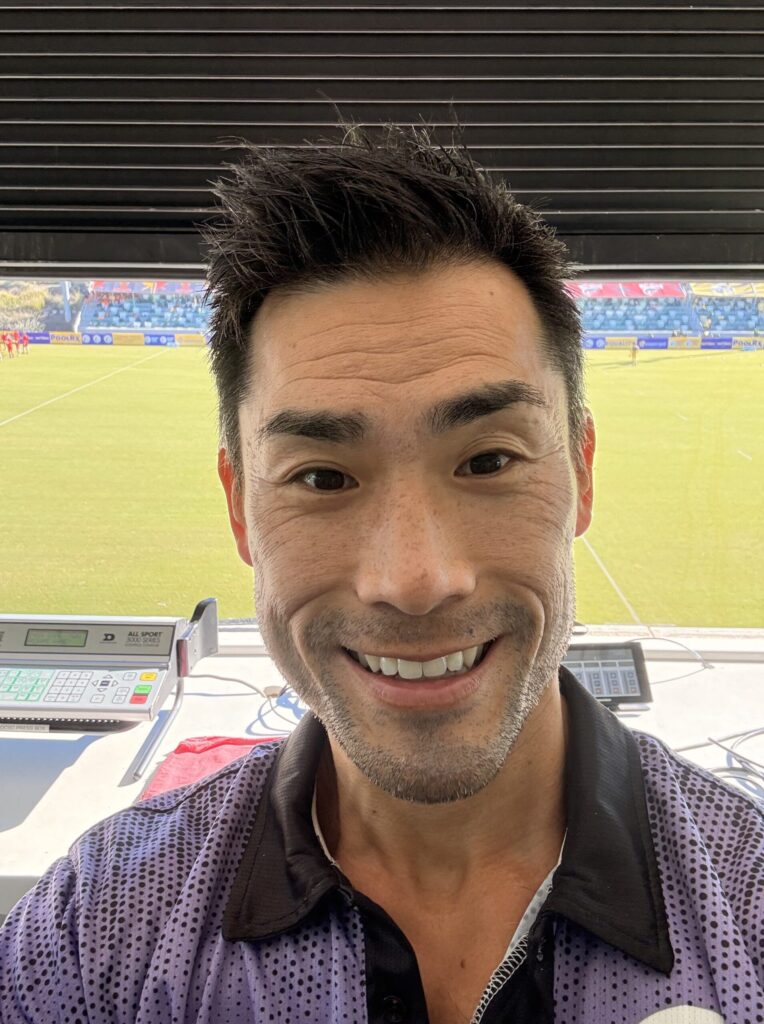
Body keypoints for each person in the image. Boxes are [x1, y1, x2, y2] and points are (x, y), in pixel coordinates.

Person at [1, 126, 762, 1024]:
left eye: (488, 461)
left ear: (581, 475)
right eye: (323, 478)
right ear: (241, 508)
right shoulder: (97, 932)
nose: (414, 579)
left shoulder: (747, 911)